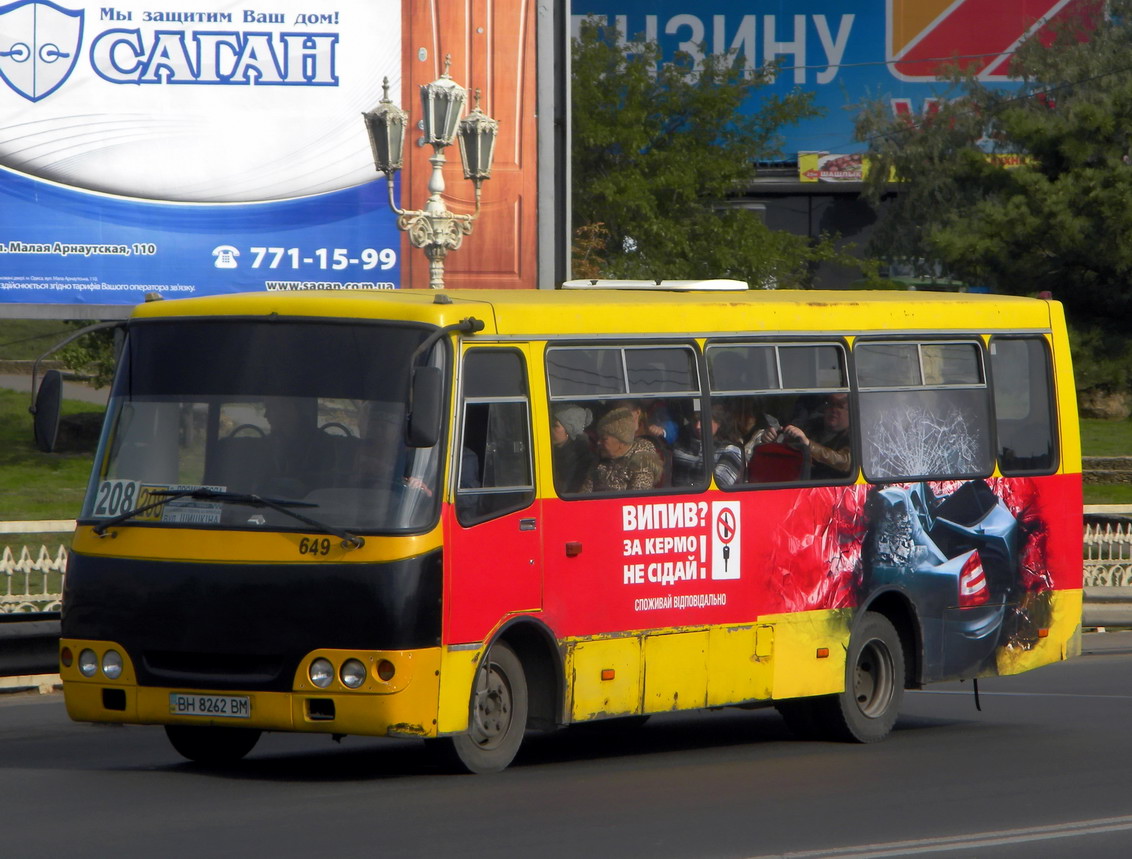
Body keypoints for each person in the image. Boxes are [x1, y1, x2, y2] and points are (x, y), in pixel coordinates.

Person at [763, 393, 852, 479]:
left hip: (830, 487)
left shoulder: (855, 434)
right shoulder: (811, 425)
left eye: (840, 406)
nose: (833, 409)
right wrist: (773, 438)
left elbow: (845, 462)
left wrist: (808, 445)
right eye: (830, 404)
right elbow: (790, 445)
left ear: (851, 412)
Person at [579, 406, 664, 492]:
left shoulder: (642, 463)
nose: (598, 442)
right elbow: (585, 491)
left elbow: (636, 499)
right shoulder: (600, 458)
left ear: (621, 442)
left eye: (604, 439)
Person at [671, 402, 745, 487]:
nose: (698, 426)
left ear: (718, 423)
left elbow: (719, 486)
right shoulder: (681, 445)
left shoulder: (730, 450)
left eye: (703, 421)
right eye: (695, 420)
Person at [550, 404, 595, 493]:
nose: (549, 429)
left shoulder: (580, 459)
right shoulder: (551, 451)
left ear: (569, 431)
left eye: (555, 426)